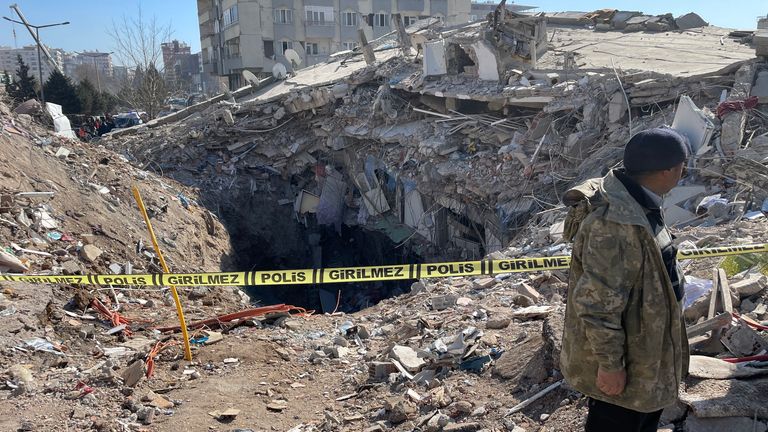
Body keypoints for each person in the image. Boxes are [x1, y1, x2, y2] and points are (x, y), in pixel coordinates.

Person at [560, 127, 690, 432]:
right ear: (666, 171)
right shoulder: (613, 225)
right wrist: (609, 366)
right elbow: (597, 305)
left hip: (646, 354)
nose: (683, 173)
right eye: (682, 167)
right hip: (627, 366)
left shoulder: (637, 198)